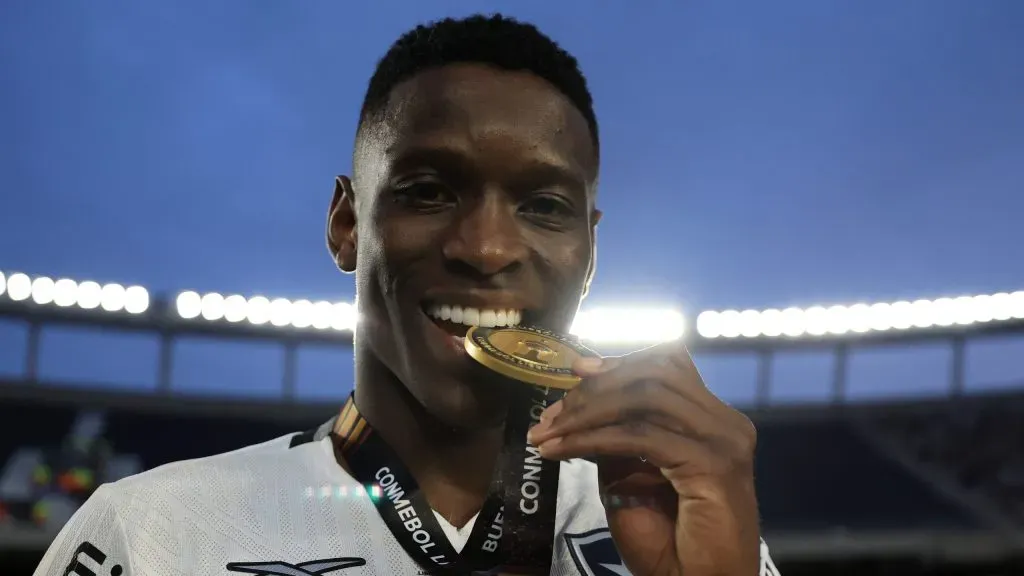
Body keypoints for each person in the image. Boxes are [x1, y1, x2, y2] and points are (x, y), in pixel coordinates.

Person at [34, 14, 780, 576]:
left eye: (544, 207)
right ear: (346, 223)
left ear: (590, 253)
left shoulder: (690, 532)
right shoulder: (149, 534)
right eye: (428, 191)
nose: (486, 249)